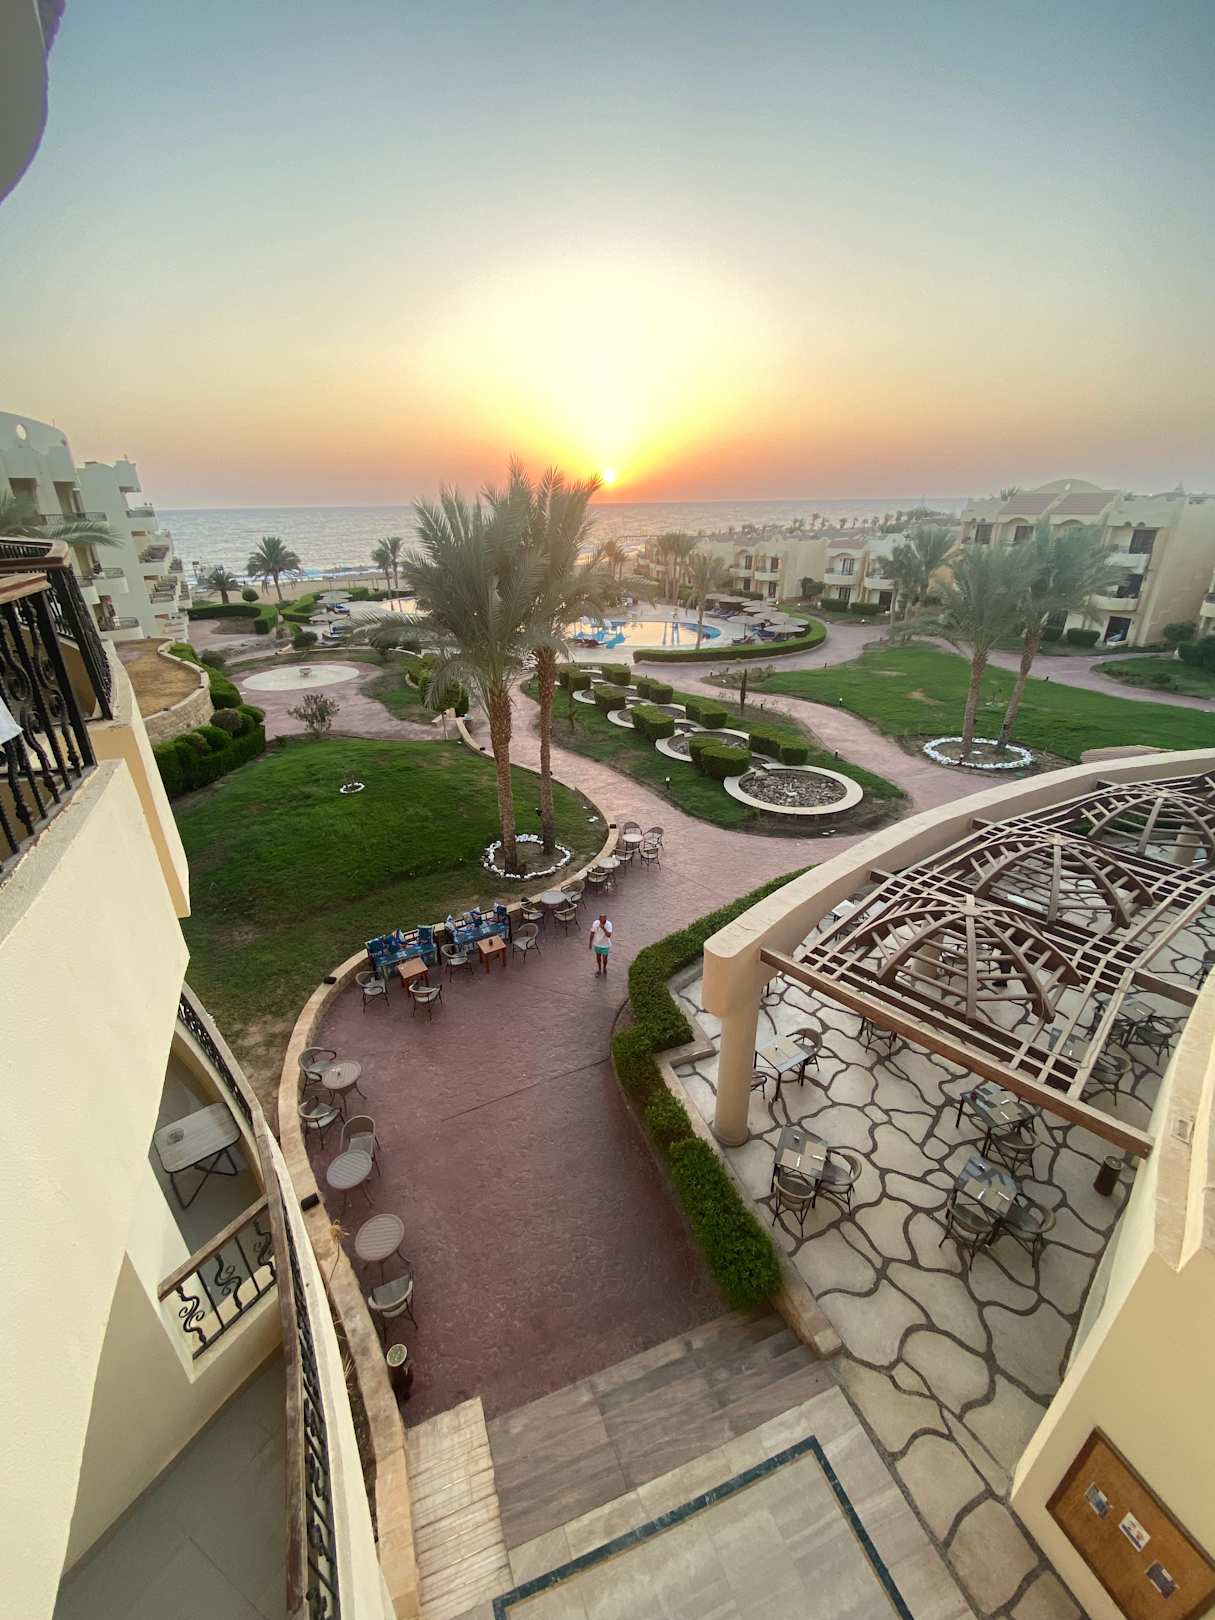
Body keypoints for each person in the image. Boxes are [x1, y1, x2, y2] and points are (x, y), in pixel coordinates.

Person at [589, 912, 614, 977]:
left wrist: (603, 928)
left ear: (606, 919)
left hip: (606, 945)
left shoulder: (609, 924)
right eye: (601, 919)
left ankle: (604, 968)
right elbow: (592, 933)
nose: (602, 921)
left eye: (603, 919)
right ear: (599, 919)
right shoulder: (595, 923)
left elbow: (609, 935)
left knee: (605, 959)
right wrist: (590, 943)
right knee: (598, 958)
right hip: (597, 944)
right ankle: (599, 969)